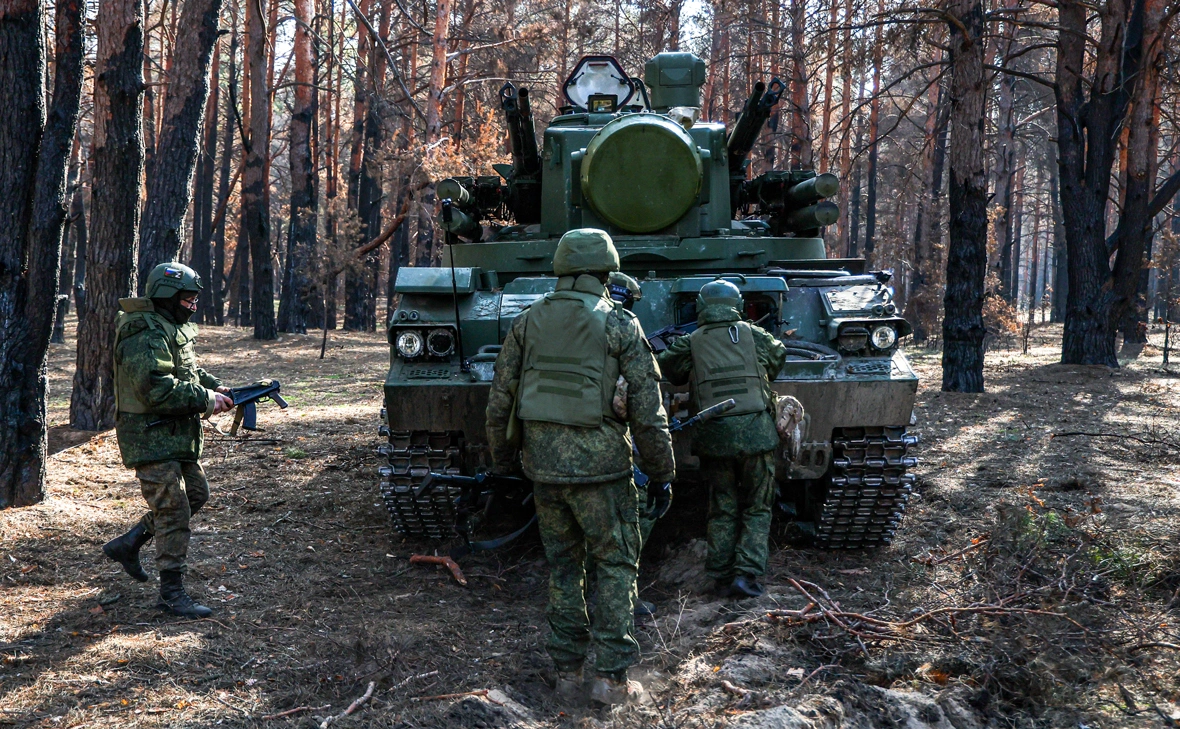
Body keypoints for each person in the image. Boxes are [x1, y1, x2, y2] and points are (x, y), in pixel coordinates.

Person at [485, 229, 675, 706]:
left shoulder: (527, 323)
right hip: (604, 473)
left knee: (564, 569)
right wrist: (662, 471)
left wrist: (506, 463)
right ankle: (610, 680)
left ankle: (567, 671)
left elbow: (499, 402)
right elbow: (650, 413)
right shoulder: (620, 325)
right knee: (614, 566)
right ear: (606, 271)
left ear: (562, 268)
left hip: (545, 472)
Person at [102, 262, 234, 619]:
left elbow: (184, 370)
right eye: (187, 298)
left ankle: (129, 544)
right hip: (148, 436)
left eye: (194, 299)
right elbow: (156, 387)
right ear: (166, 295)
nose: (192, 305)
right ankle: (171, 595)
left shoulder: (168, 325)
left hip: (172, 433)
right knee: (174, 508)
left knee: (195, 495)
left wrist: (213, 385)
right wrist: (205, 399)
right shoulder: (142, 331)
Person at [657, 279, 786, 599]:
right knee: (758, 505)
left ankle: (720, 573)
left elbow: (670, 371)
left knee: (722, 505)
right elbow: (776, 359)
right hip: (756, 433)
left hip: (714, 436)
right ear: (738, 307)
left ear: (701, 309)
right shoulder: (754, 335)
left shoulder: (691, 341)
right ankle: (747, 574)